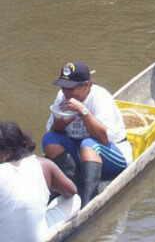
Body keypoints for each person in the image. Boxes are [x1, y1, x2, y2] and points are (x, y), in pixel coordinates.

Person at [42, 61, 133, 207]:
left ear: (88, 85)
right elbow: (54, 131)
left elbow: (103, 138)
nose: (67, 93)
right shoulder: (62, 96)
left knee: (88, 144)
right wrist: (62, 121)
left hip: (111, 155)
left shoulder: (100, 97)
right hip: (80, 156)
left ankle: (88, 200)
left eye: (72, 89)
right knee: (49, 139)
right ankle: (73, 184)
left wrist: (84, 112)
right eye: (64, 88)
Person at [0, 121, 81, 242]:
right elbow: (71, 191)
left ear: (5, 153)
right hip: (35, 238)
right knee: (75, 200)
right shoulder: (44, 164)